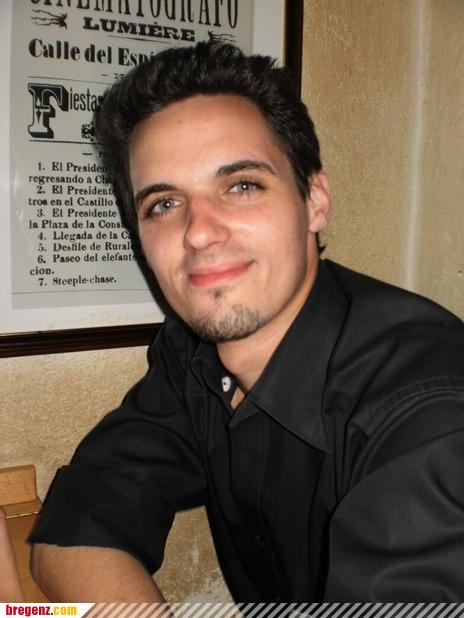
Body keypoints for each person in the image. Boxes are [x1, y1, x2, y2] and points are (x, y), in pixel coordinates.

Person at [30, 42, 464, 602]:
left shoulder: (431, 418)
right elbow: (81, 519)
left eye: (241, 186)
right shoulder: (193, 353)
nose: (198, 232)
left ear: (315, 200)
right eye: (164, 204)